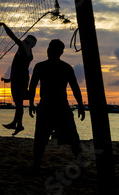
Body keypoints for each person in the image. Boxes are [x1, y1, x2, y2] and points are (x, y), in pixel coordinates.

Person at [28, 39, 85, 169]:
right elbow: (75, 88)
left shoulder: (42, 66)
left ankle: (36, 164)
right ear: (61, 52)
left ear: (51, 51)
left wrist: (31, 103)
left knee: (41, 139)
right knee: (72, 139)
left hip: (50, 107)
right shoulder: (65, 67)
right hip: (59, 107)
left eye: (50, 49)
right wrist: (80, 106)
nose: (49, 51)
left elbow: (32, 88)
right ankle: (80, 164)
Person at [0, 22, 37, 135]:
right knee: (18, 102)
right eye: (25, 40)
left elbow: (13, 36)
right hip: (17, 79)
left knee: (19, 102)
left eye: (26, 41)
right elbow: (17, 67)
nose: (24, 41)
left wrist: (4, 25)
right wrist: (9, 79)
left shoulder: (26, 50)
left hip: (21, 79)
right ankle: (17, 124)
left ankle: (18, 124)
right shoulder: (23, 49)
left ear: (30, 44)